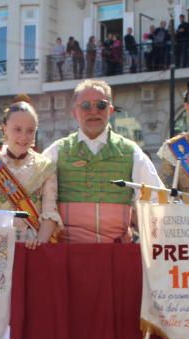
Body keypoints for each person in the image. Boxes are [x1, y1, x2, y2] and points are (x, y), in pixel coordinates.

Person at [42, 79, 163, 243]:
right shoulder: (56, 151)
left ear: (110, 110)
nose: (94, 111)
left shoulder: (131, 151)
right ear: (74, 112)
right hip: (68, 254)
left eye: (101, 105)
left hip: (116, 256)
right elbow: (35, 197)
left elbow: (156, 201)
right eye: (85, 106)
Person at [0, 96, 60, 249]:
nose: (23, 137)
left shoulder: (46, 167)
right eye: (17, 129)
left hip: (31, 248)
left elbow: (50, 213)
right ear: (5, 128)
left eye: (30, 131)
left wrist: (39, 242)